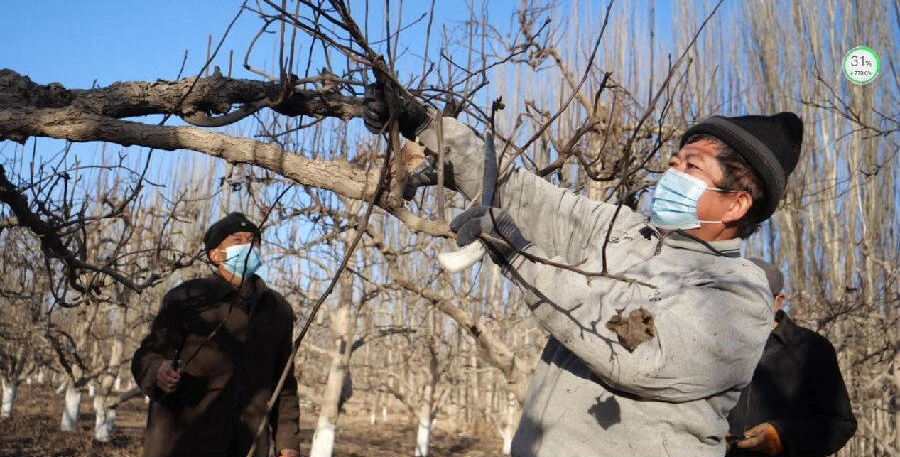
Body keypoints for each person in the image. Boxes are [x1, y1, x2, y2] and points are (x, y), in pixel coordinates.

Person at [363, 86, 803, 456]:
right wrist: (427, 126)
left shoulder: (737, 298)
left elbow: (638, 347)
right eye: (674, 162)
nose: (672, 173)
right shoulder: (626, 232)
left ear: (736, 203)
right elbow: (523, 196)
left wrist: (518, 255)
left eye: (692, 167)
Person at [131, 212, 300, 457]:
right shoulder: (189, 298)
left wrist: (288, 442)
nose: (248, 246)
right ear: (215, 255)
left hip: (248, 444)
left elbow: (283, 383)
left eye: (253, 240)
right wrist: (159, 371)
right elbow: (147, 354)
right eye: (237, 240)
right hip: (185, 440)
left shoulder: (276, 310)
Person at [727, 259, 856, 456]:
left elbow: (839, 424)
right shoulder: (714, 345)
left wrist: (781, 436)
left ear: (778, 302)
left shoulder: (811, 349)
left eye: (753, 297)